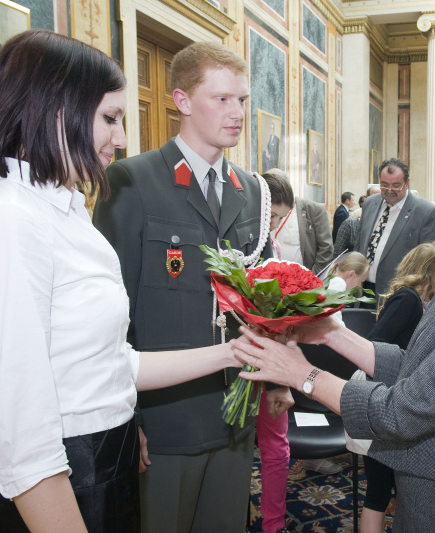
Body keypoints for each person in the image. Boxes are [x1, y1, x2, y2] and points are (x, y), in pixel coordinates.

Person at [0, 30, 242, 533]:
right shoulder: (7, 222)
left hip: (108, 459)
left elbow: (107, 367)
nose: (121, 139)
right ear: (53, 110)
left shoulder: (65, 214)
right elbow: (18, 426)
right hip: (63, 479)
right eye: (109, 119)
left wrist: (233, 354)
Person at [232, 109, 435, 532]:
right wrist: (333, 334)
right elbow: (421, 370)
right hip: (432, 489)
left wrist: (303, 374)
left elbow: (404, 411)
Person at [92, 41, 274, 533]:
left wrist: (274, 379)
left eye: (241, 99)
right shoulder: (132, 181)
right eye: (222, 99)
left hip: (236, 414)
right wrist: (127, 420)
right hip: (165, 417)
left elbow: (264, 301)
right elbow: (112, 314)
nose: (236, 113)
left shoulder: (252, 190)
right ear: (182, 100)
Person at [359, 243, 435, 533]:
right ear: (432, 274)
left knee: (383, 489)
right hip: (385, 397)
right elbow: (375, 345)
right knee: (379, 490)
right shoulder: (408, 299)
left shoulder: (408, 299)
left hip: (391, 396)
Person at [353, 158, 435, 300]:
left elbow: (427, 263)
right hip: (362, 289)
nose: (390, 190)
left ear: (407, 183)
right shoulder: (369, 203)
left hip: (397, 293)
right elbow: (359, 244)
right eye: (384, 185)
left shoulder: (425, 211)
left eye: (396, 185)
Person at [264, 170, 333, 274]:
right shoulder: (262, 208)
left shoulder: (313, 210)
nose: (275, 223)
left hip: (302, 282)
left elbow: (326, 250)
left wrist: (310, 279)